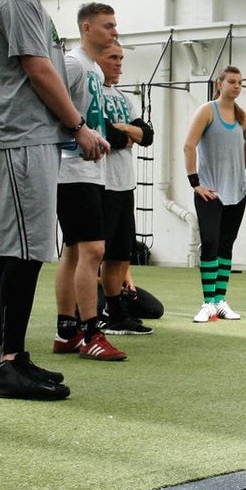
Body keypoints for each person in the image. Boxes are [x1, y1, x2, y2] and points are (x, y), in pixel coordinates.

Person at [0, 0, 105, 400]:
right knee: (19, 252)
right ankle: (6, 362)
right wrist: (77, 126)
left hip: (30, 138)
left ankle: (12, 356)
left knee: (26, 251)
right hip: (20, 137)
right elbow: (38, 67)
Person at [52, 4, 124, 362]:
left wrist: (97, 137)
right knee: (93, 250)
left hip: (90, 169)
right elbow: (51, 106)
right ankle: (92, 332)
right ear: (86, 28)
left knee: (75, 251)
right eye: (107, 26)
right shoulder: (72, 63)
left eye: (114, 25)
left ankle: (67, 331)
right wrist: (76, 139)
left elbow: (82, 117)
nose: (113, 31)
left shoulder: (93, 68)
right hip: (71, 170)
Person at [184, 66, 246, 322]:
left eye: (240, 83)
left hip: (237, 192)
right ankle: (207, 302)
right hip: (210, 191)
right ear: (220, 83)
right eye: (232, 82)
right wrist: (195, 182)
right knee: (210, 241)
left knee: (226, 245)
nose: (237, 86)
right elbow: (189, 145)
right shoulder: (208, 110)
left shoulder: (242, 116)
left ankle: (220, 301)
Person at [91, 40, 154, 337]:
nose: (119, 63)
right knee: (95, 253)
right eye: (113, 57)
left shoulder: (124, 98)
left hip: (124, 184)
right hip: (99, 184)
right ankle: (85, 312)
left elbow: (148, 135)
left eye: (121, 58)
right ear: (97, 59)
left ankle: (115, 312)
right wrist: (128, 133)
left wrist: (125, 131)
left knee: (120, 255)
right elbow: (111, 137)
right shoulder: (91, 94)